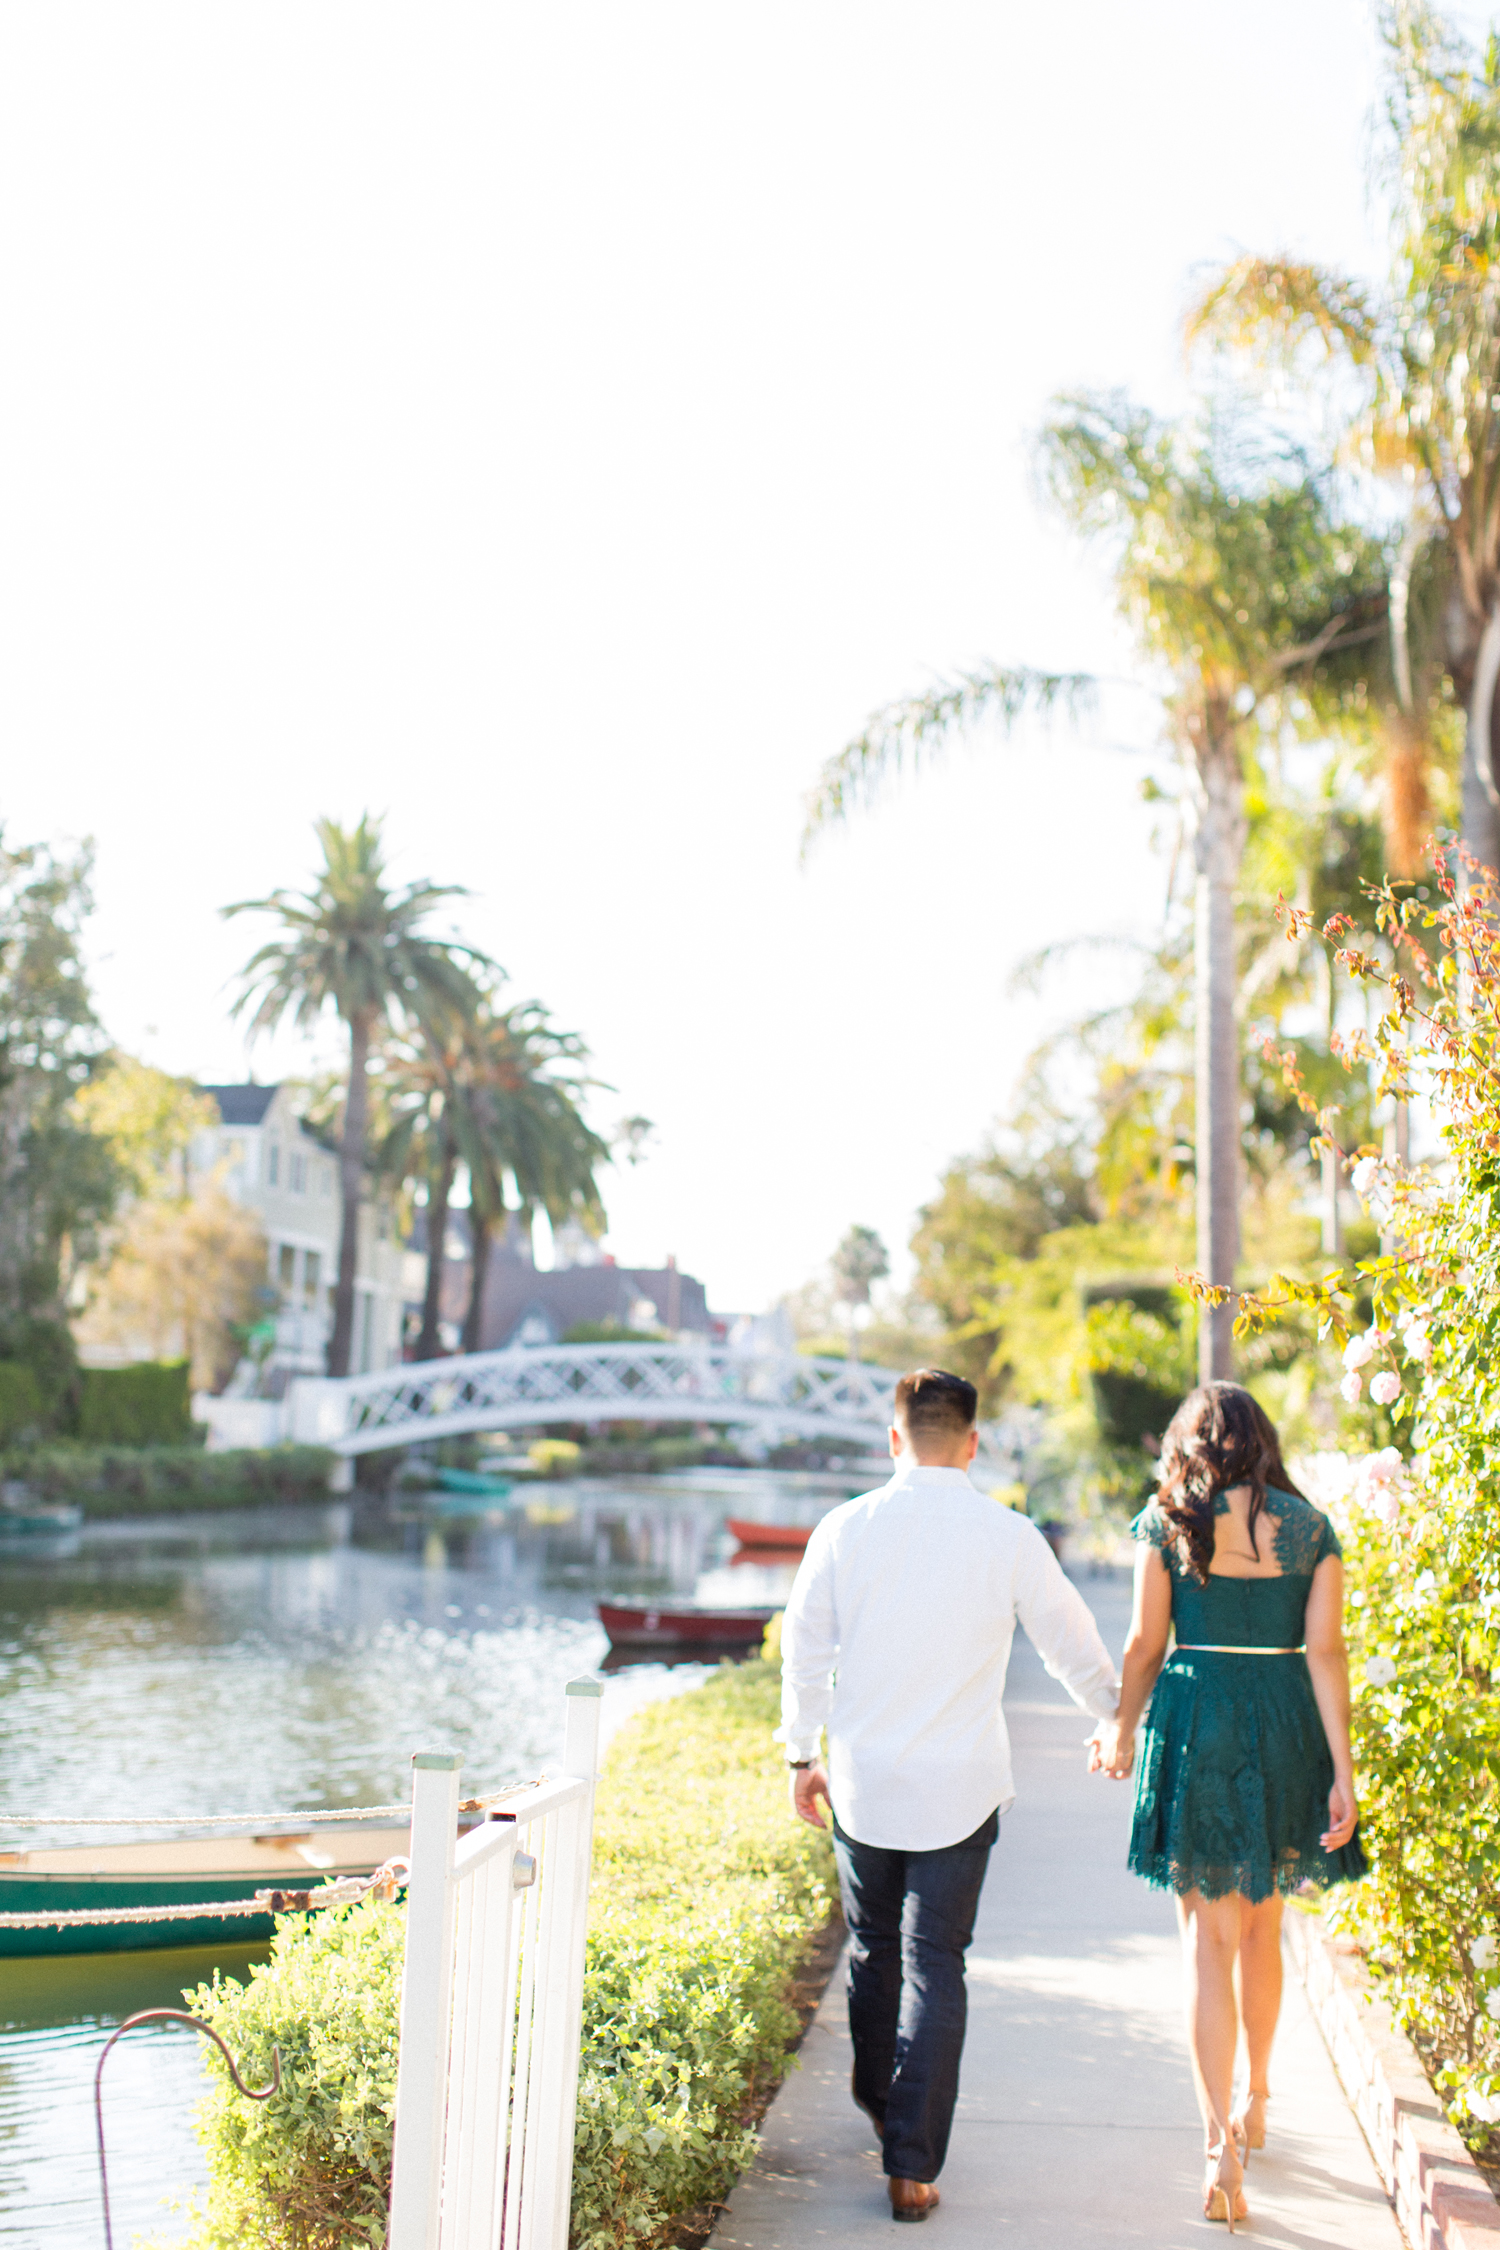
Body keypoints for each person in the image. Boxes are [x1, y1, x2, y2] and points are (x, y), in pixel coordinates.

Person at [779, 1366, 1120, 2222]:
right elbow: (1071, 1643)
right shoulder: (1008, 1536)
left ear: (894, 1439)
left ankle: (886, 2111)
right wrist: (1118, 1717)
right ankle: (912, 2164)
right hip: (962, 1790)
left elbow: (804, 1652)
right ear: (972, 1444)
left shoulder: (843, 1528)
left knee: (873, 1954)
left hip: (864, 1786)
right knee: (937, 1963)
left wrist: (798, 1756)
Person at [1090, 1381, 1366, 2233]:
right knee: (1263, 1925)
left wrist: (1120, 1728)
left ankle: (1218, 2147)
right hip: (1284, 1720)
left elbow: (1143, 1644)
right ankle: (1258, 2097)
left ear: (1189, 1443)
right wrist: (1343, 1772)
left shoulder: (1169, 1520)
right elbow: (1326, 1655)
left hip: (1199, 1711)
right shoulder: (1311, 1528)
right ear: (1262, 1439)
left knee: (1206, 1940)